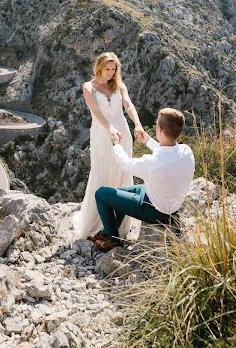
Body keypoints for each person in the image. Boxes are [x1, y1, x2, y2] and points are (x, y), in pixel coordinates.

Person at [94, 107, 195, 252]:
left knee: (102, 194)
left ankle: (112, 239)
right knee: (118, 193)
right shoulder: (187, 152)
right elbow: (166, 153)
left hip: (155, 211)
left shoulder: (151, 163)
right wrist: (147, 140)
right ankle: (111, 230)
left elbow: (125, 163)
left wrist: (116, 144)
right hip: (170, 205)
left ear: (159, 129)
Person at [73, 52, 144, 240]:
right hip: (102, 133)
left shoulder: (119, 86)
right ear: (99, 68)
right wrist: (110, 129)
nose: (111, 73)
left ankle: (119, 225)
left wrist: (137, 124)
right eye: (107, 69)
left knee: (122, 171)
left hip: (122, 133)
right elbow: (96, 111)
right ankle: (96, 223)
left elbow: (128, 105)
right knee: (102, 172)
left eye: (114, 70)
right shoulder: (89, 88)